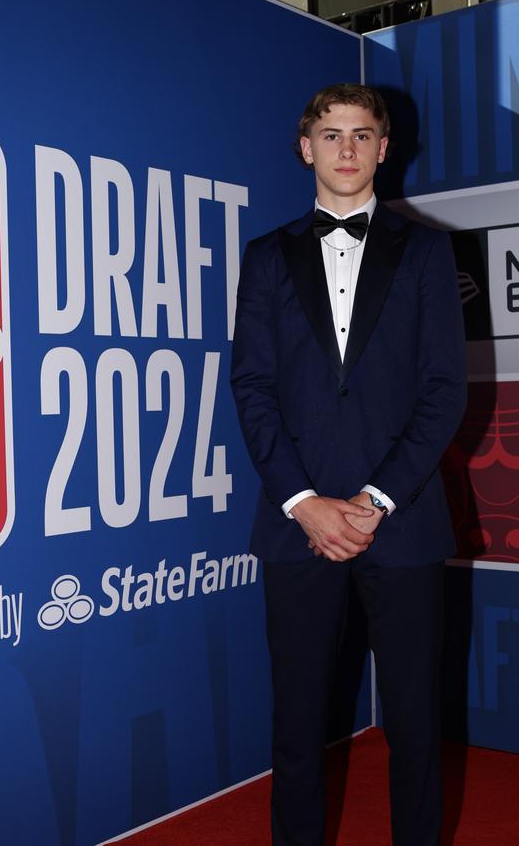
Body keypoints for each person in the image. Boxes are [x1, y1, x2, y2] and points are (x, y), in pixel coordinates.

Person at [231, 84, 467, 846]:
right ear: (306, 147)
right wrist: (304, 501)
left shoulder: (428, 252)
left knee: (416, 728)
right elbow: (252, 387)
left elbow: (443, 391)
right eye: (330, 135)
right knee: (297, 731)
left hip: (400, 524)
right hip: (295, 527)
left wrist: (373, 498)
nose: (346, 149)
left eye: (362, 135)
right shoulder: (265, 257)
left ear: (383, 147)